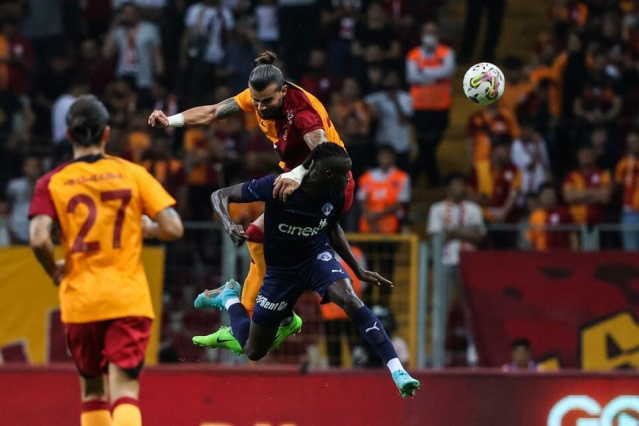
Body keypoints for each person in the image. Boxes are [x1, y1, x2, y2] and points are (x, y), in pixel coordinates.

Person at [148, 50, 353, 343]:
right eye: (256, 101)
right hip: (299, 182)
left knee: (279, 245)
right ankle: (260, 314)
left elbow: (324, 152)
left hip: (328, 185)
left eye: (267, 101)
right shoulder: (258, 98)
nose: (260, 107)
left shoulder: (302, 112)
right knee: (256, 237)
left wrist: (296, 175)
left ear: (283, 91)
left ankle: (277, 313)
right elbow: (212, 112)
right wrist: (170, 121)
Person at [192, 143, 420, 397]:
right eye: (344, 174)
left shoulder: (337, 192)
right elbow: (219, 195)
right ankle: (229, 298)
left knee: (350, 299)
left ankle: (398, 371)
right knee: (253, 350)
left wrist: (357, 270)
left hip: (316, 259)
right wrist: (229, 224)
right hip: (281, 273)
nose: (349, 180)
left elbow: (332, 228)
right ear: (326, 174)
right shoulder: (277, 186)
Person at [28, 95, 184, 426]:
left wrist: (53, 269)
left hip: (81, 301)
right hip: (127, 298)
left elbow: (39, 238)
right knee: (124, 390)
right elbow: (173, 227)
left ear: (69, 135)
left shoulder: (52, 181)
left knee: (92, 392)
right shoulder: (132, 173)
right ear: (107, 133)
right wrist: (146, 228)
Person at [406, 21, 455, 187]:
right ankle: (433, 179)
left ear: (438, 34)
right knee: (424, 144)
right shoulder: (413, 54)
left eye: (433, 32)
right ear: (421, 35)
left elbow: (447, 71)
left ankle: (414, 174)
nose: (430, 36)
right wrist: (435, 76)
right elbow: (412, 76)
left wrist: (424, 73)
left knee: (430, 144)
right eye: (427, 32)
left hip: (441, 106)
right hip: (419, 106)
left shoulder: (446, 52)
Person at [526, 183, 577, 251]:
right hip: (540, 254)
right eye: (546, 195)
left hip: (561, 254)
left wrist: (575, 253)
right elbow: (531, 240)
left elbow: (572, 234)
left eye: (551, 194)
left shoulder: (564, 212)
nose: (549, 197)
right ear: (540, 197)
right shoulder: (535, 216)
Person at [615, 131, 639, 251]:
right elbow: (618, 186)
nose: (632, 145)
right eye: (629, 143)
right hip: (630, 213)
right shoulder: (623, 164)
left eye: (635, 142)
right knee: (631, 253)